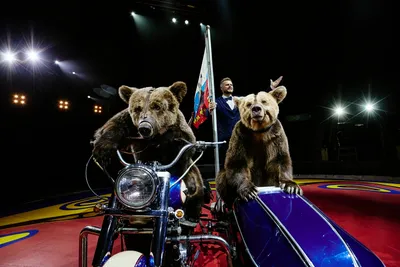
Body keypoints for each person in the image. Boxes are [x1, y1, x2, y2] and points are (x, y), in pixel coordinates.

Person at [208, 76, 283, 167]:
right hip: (224, 141)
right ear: (221, 88)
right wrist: (210, 109)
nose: (230, 86)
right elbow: (206, 114)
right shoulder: (216, 102)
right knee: (226, 166)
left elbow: (257, 99)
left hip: (242, 138)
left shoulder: (242, 100)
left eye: (231, 85)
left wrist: (270, 88)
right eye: (227, 85)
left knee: (246, 165)